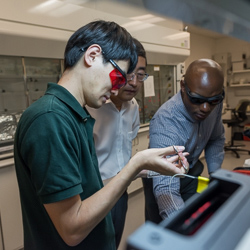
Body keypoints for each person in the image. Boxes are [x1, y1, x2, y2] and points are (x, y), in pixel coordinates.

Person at [14, 20, 188, 250]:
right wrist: (135, 163)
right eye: (118, 77)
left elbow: (89, 192)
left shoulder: (76, 115)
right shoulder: (50, 119)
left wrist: (143, 168)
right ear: (93, 55)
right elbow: (72, 229)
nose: (117, 89)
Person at [87, 38, 148, 248]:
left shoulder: (133, 107)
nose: (133, 82)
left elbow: (126, 148)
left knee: (114, 242)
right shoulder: (90, 108)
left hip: (121, 193)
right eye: (128, 73)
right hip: (91, 198)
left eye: (140, 75)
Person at [147, 59, 225, 221]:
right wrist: (182, 227)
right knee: (163, 226)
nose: (205, 108)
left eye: (213, 101)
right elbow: (165, 187)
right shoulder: (166, 121)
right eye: (197, 99)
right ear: (183, 86)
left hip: (191, 171)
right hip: (162, 178)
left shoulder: (215, 103)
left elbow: (216, 138)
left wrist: (215, 174)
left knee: (194, 213)